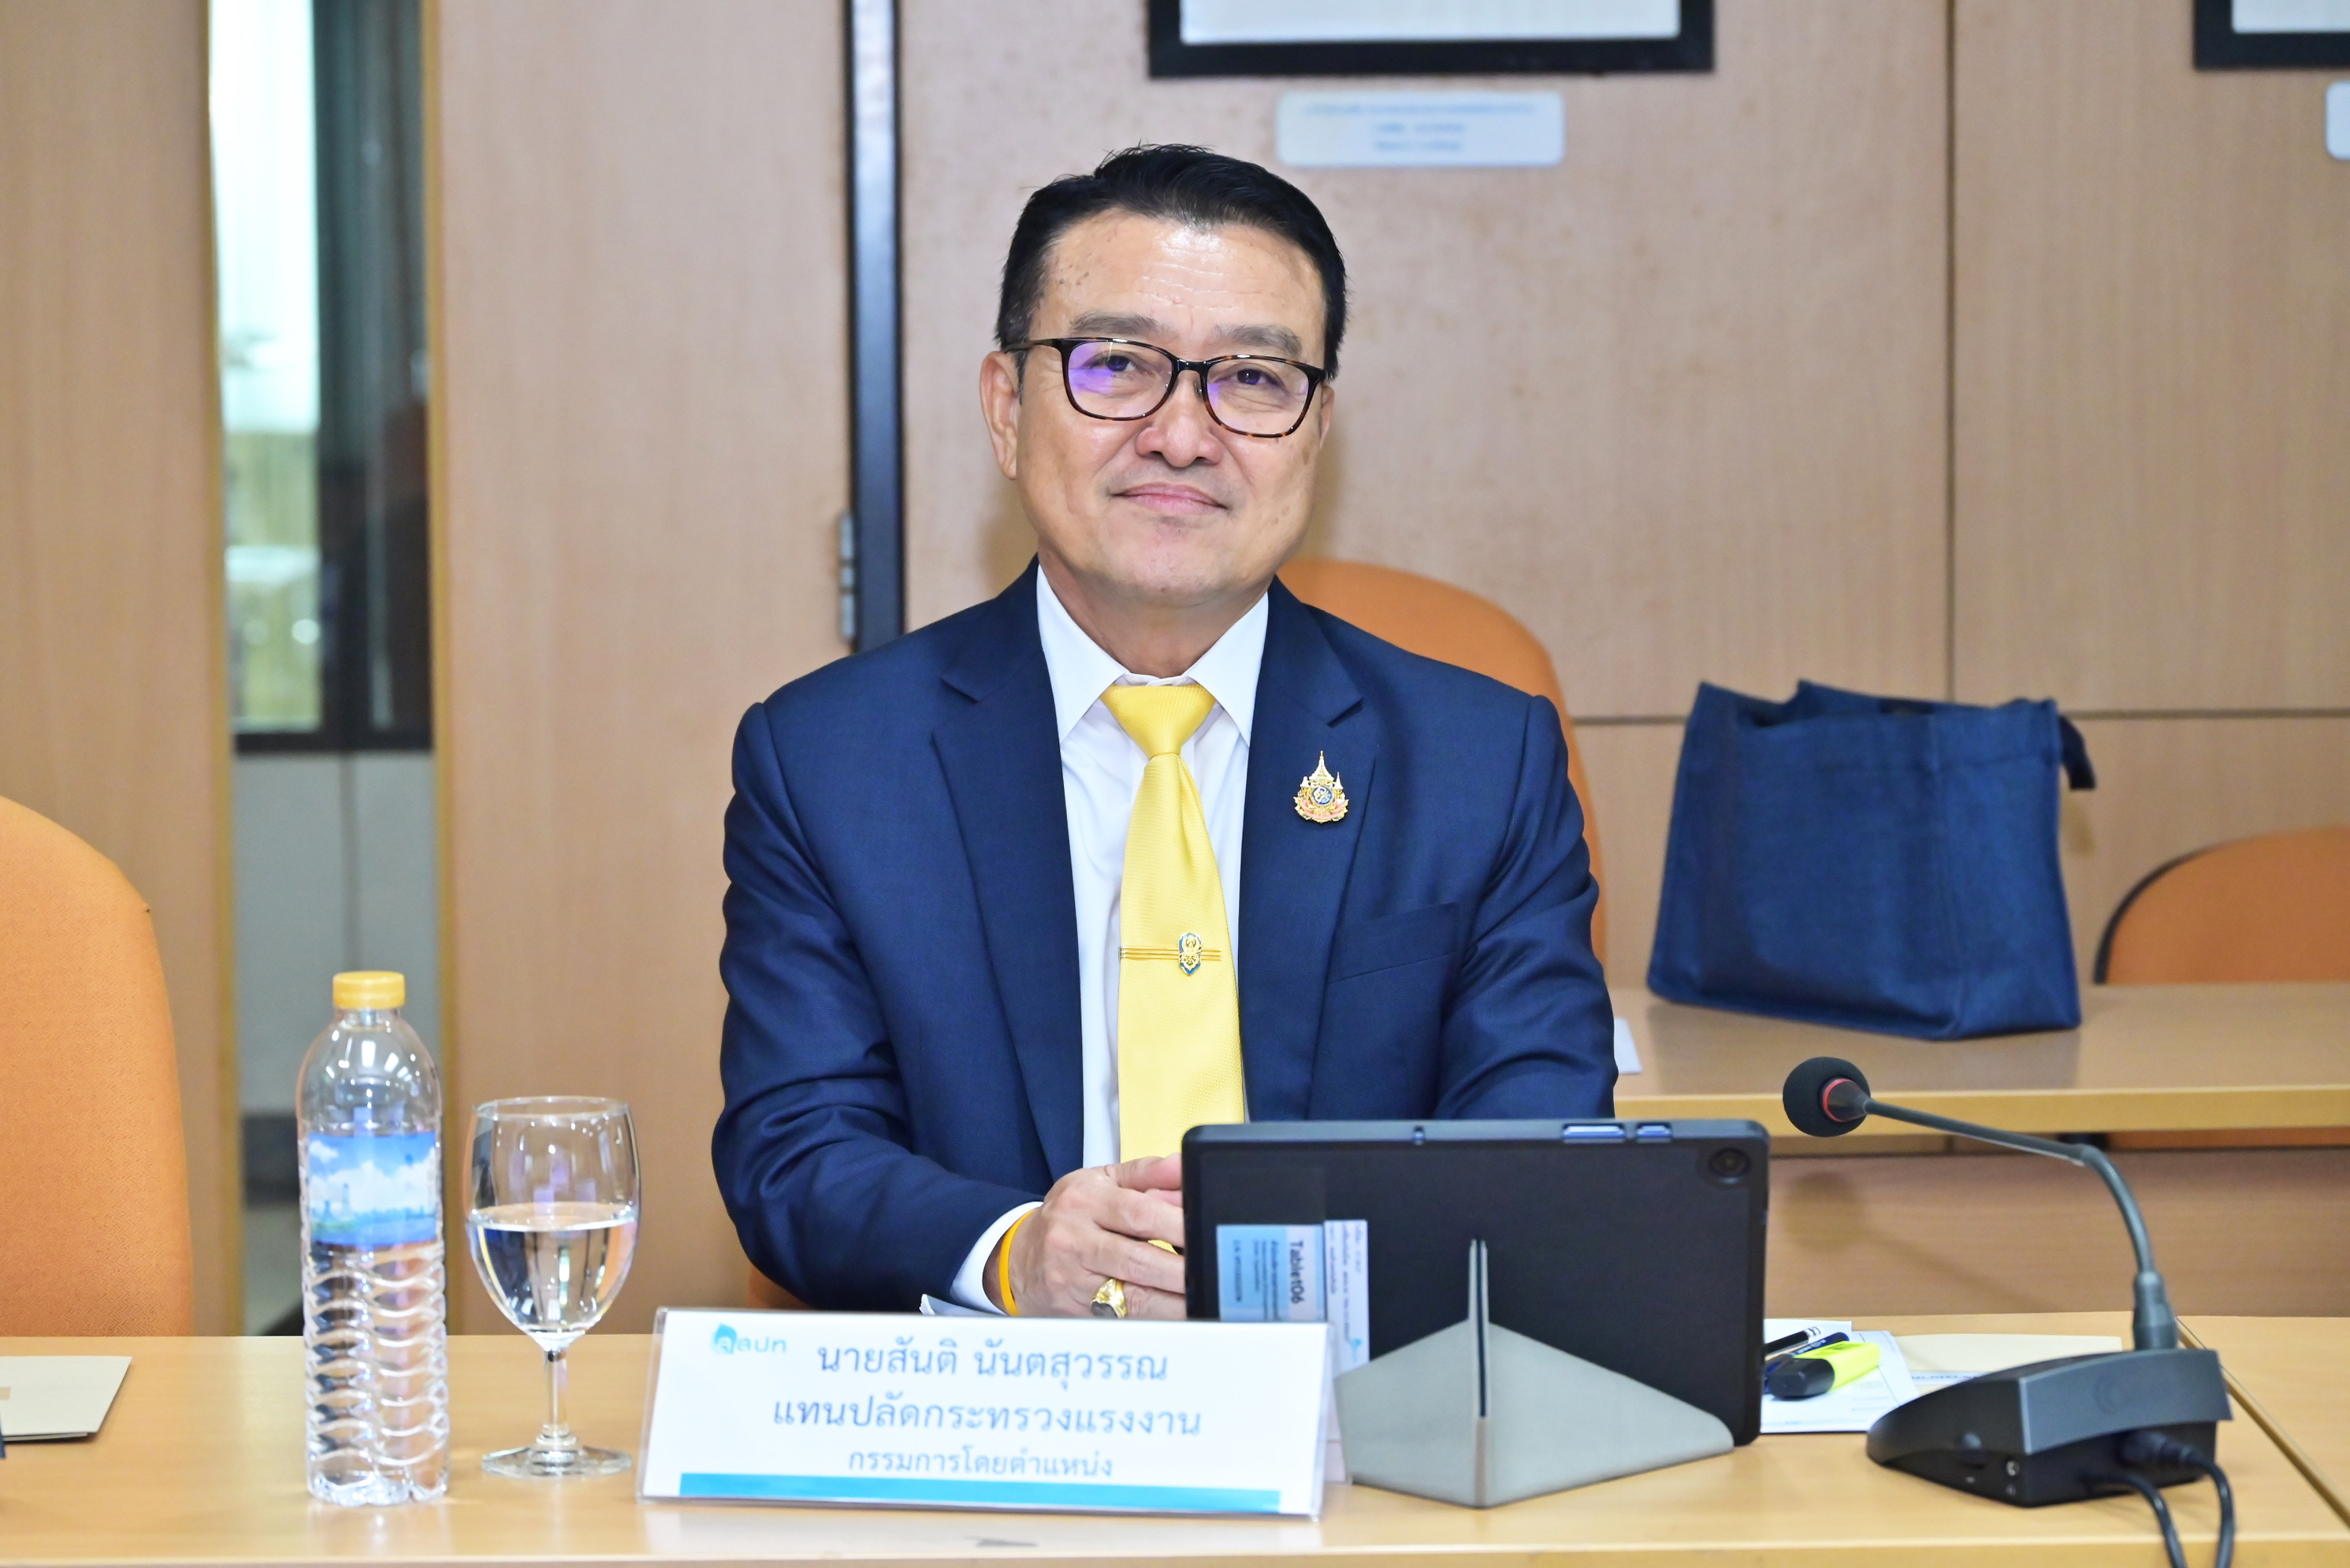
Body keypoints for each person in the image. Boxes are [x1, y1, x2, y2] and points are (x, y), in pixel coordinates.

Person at [715, 144, 1612, 1317]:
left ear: (1315, 431)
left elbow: (1539, 1148)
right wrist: (1017, 1255)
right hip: (1001, 1395)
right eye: (1118, 365)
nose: (1182, 435)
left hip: (1355, 1393)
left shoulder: (1481, 763)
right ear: (1007, 408)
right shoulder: (831, 763)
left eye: (1253, 378)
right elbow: (796, 1151)